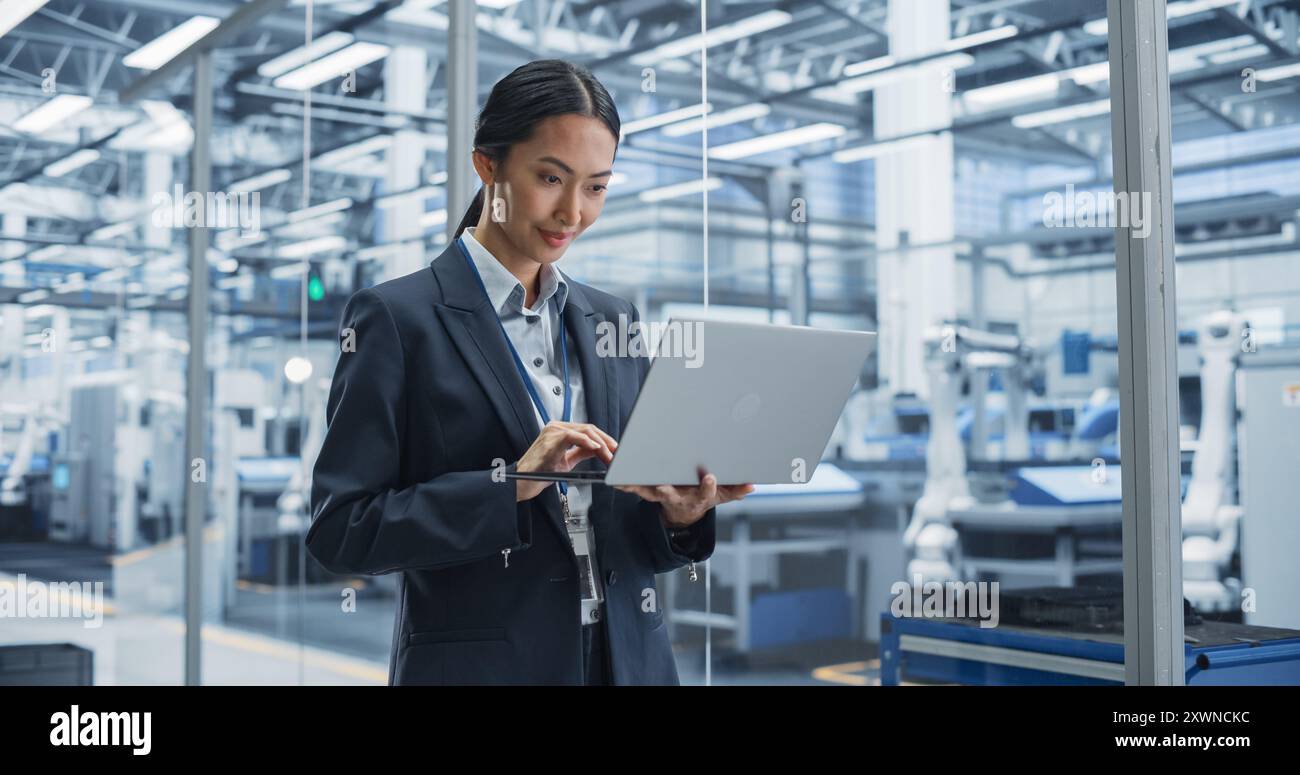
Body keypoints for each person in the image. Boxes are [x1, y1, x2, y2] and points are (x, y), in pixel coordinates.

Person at [306, 59, 753, 685]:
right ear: (488, 165)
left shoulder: (612, 319)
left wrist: (680, 514)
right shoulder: (397, 319)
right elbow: (340, 531)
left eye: (596, 187)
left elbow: (634, 542)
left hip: (628, 667)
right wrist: (511, 483)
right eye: (551, 177)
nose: (572, 212)